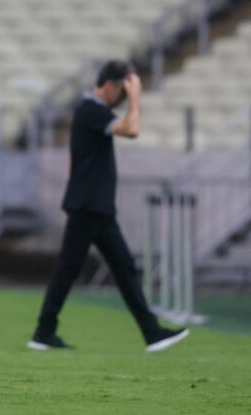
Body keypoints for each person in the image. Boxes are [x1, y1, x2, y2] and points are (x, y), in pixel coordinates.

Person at [28, 60, 189, 353]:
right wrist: (137, 97)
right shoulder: (92, 110)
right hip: (90, 206)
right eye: (123, 92)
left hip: (95, 206)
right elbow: (132, 129)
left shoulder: (89, 111)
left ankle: (151, 332)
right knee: (71, 269)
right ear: (111, 86)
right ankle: (43, 331)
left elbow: (74, 160)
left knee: (122, 267)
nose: (124, 99)